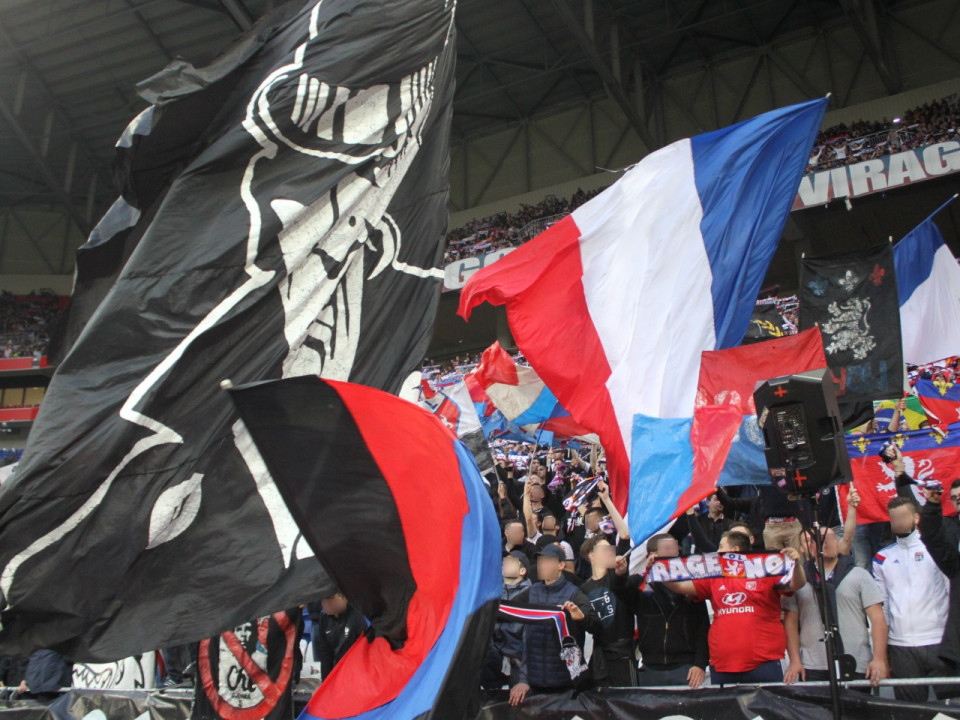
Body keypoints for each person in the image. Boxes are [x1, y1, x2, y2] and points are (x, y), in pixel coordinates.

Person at [666, 530, 806, 684]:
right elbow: (679, 586)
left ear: (735, 551)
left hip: (764, 663)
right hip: (722, 665)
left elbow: (797, 583)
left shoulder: (766, 571)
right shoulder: (714, 575)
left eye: (721, 546)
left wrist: (797, 565)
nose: (717, 551)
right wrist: (657, 570)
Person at [782, 527, 890, 686]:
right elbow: (790, 622)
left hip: (855, 661)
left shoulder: (859, 575)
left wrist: (880, 658)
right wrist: (795, 661)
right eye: (816, 540)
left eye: (830, 538)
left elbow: (878, 619)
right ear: (804, 548)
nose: (825, 543)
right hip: (814, 663)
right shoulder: (799, 580)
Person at [874, 496, 951, 702]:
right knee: (910, 712)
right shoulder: (882, 558)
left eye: (902, 516)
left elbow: (951, 593)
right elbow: (883, 607)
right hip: (901, 646)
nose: (897, 521)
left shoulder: (934, 549)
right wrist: (884, 652)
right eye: (893, 518)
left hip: (938, 641)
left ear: (916, 517)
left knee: (951, 709)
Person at [613, 534, 709, 688]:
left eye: (675, 549)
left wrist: (700, 664)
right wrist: (620, 574)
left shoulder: (690, 585)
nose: (675, 554)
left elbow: (703, 627)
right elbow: (620, 590)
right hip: (650, 667)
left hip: (686, 668)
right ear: (653, 555)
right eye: (668, 549)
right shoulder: (640, 583)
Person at [508, 545, 601, 706]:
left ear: (561, 565)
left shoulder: (574, 593)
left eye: (547, 561)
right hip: (535, 685)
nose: (541, 565)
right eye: (540, 561)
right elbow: (507, 611)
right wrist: (523, 679)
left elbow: (596, 625)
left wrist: (581, 618)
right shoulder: (532, 592)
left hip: (567, 687)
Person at [578, 536, 637, 686]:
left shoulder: (617, 578)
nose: (611, 552)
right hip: (600, 658)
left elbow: (624, 536)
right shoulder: (584, 589)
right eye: (605, 549)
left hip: (623, 653)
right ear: (592, 556)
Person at [916, 479, 960, 680]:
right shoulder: (954, 535)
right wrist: (933, 505)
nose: (958, 500)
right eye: (954, 498)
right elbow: (933, 537)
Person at [483, 552, 533, 690]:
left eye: (511, 561)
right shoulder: (492, 592)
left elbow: (529, 639)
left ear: (522, 571)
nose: (504, 562)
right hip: (494, 656)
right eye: (504, 560)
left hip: (518, 660)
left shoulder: (531, 595)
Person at [308, 590, 366, 680]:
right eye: (322, 599)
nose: (323, 603)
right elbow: (326, 655)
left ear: (342, 597)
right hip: (337, 671)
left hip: (355, 673)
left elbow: (364, 653)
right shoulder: (324, 618)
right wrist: (325, 684)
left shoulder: (357, 618)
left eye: (328, 598)